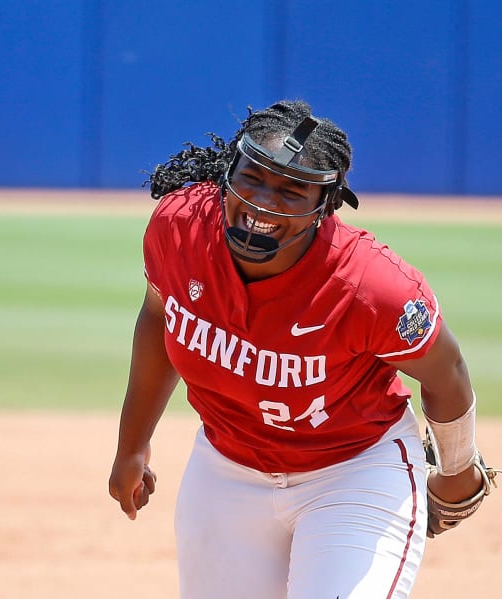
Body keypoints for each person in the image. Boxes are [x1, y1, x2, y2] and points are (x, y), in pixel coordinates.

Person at [108, 99, 497, 598]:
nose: (263, 204)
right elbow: (159, 320)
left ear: (326, 203)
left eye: (292, 192)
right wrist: (132, 447)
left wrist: (457, 471)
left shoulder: (372, 287)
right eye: (252, 177)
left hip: (354, 473)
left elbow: (448, 373)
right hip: (225, 472)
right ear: (228, 171)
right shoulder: (179, 226)